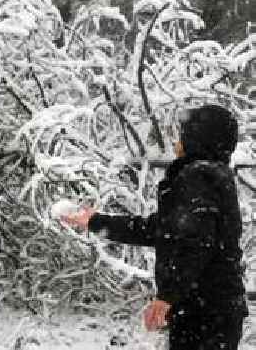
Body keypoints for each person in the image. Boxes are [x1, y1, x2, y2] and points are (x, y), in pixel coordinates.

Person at [62, 104, 247, 350]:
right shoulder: (213, 176)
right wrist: (97, 221)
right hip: (212, 309)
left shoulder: (199, 178)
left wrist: (168, 295)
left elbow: (196, 243)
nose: (177, 139)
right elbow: (163, 230)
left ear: (198, 137)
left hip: (204, 311)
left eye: (184, 132)